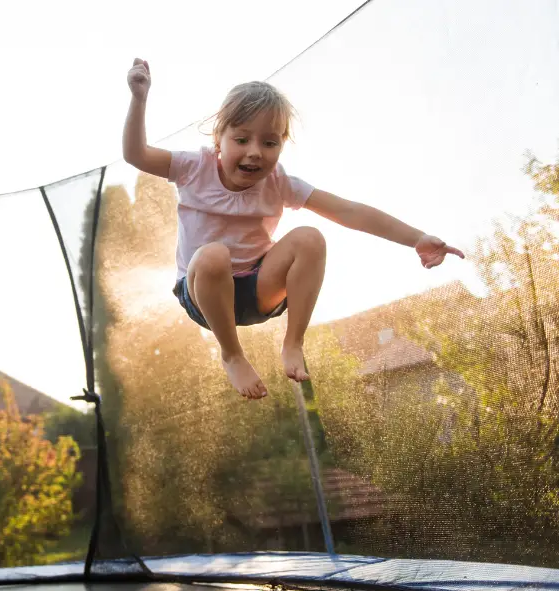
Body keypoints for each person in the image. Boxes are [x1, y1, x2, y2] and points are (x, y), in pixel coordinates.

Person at [122, 58, 463, 399]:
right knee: (214, 255)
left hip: (259, 288)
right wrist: (139, 98)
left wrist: (416, 238)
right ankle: (232, 354)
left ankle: (293, 341)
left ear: (281, 145)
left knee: (310, 238)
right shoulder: (192, 167)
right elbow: (136, 154)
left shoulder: (278, 182)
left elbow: (349, 211)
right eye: (241, 139)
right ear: (218, 139)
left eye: (269, 143)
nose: (254, 152)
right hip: (204, 293)